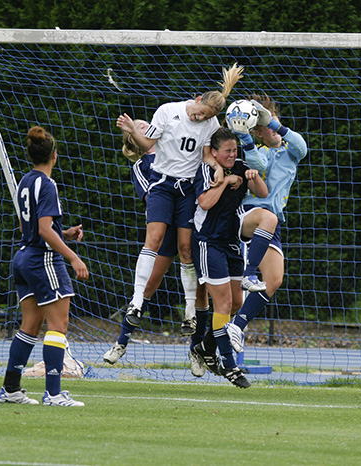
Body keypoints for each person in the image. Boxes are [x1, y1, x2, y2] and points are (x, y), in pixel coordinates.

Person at [115, 63, 243, 335]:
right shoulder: (167, 111)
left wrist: (218, 167)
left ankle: (189, 314)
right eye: (198, 113)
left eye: (204, 117)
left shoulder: (209, 124)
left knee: (186, 249)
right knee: (154, 239)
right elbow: (148, 145)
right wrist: (131, 128)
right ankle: (136, 304)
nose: (198, 119)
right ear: (196, 100)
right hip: (163, 185)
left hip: (186, 190)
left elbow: (207, 155)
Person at [102, 120, 211, 376]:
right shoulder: (142, 166)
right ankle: (121, 342)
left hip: (188, 227)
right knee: (149, 285)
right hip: (165, 232)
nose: (148, 126)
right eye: (141, 127)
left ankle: (196, 350)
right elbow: (153, 198)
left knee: (201, 293)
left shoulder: (175, 147)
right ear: (134, 140)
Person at [0, 126, 89, 407]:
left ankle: (11, 389)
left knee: (30, 324)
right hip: (43, 259)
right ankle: (53, 393)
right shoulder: (47, 185)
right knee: (58, 325)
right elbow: (45, 230)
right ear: (55, 155)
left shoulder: (26, 180)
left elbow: (40, 228)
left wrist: (66, 233)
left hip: (23, 256)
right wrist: (73, 257)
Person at [222, 93, 308, 353]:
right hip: (248, 216)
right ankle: (248, 275)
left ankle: (236, 326)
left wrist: (273, 123)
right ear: (259, 133)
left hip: (271, 224)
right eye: (267, 128)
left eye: (276, 124)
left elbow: (302, 147)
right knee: (231, 290)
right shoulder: (255, 151)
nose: (274, 130)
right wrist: (246, 137)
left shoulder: (290, 152)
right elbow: (257, 166)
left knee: (274, 281)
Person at [190, 127, 267, 388]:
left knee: (235, 303)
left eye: (235, 150)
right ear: (214, 152)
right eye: (227, 151)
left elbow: (263, 192)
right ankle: (229, 365)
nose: (233, 154)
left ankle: (205, 346)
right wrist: (224, 181)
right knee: (222, 304)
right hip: (208, 241)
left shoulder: (241, 165)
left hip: (231, 241)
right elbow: (205, 203)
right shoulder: (207, 170)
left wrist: (252, 177)